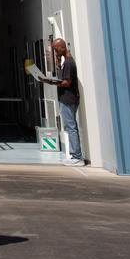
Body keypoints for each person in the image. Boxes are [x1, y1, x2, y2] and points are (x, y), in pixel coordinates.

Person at [45, 37, 84, 165]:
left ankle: (77, 156)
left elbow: (66, 82)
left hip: (67, 99)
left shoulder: (68, 63)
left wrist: (52, 82)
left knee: (71, 127)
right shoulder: (66, 62)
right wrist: (57, 64)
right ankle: (75, 155)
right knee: (70, 126)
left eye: (56, 49)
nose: (55, 52)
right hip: (69, 98)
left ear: (62, 47)